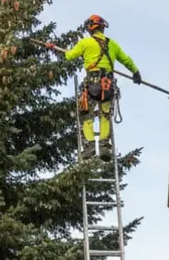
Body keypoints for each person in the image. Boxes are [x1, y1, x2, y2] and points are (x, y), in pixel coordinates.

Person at [48, 14, 141, 160]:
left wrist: (53, 48)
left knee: (86, 115)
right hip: (108, 85)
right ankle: (104, 147)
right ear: (102, 28)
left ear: (90, 28)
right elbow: (126, 60)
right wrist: (135, 72)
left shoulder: (85, 43)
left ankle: (89, 147)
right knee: (105, 116)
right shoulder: (112, 44)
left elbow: (70, 55)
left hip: (91, 84)